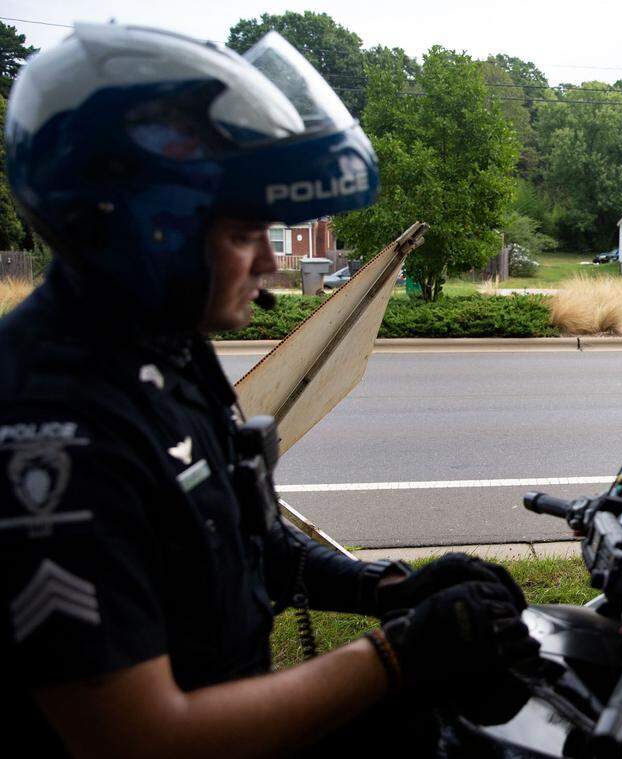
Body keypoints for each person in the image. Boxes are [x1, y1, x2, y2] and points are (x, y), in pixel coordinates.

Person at [0, 23, 536, 756]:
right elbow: (144, 737)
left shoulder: (163, 346)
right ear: (142, 229)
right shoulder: (51, 425)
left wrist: (382, 588)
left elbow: (240, 538)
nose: (269, 267)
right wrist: (396, 655)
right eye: (244, 233)